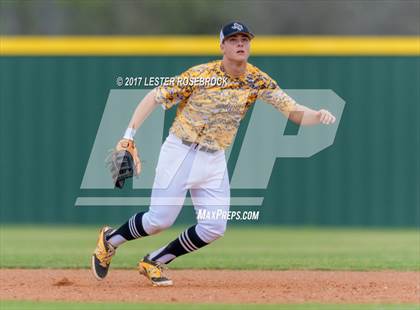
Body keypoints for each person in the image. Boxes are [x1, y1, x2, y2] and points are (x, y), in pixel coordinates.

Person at [91, 21, 336, 287]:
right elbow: (154, 96)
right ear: (222, 46)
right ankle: (110, 240)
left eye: (245, 39)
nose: (240, 43)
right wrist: (129, 135)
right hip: (180, 151)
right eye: (233, 39)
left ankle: (155, 261)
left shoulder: (257, 79)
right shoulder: (201, 74)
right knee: (159, 220)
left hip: (214, 158)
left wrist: (317, 115)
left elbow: (294, 112)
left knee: (214, 227)